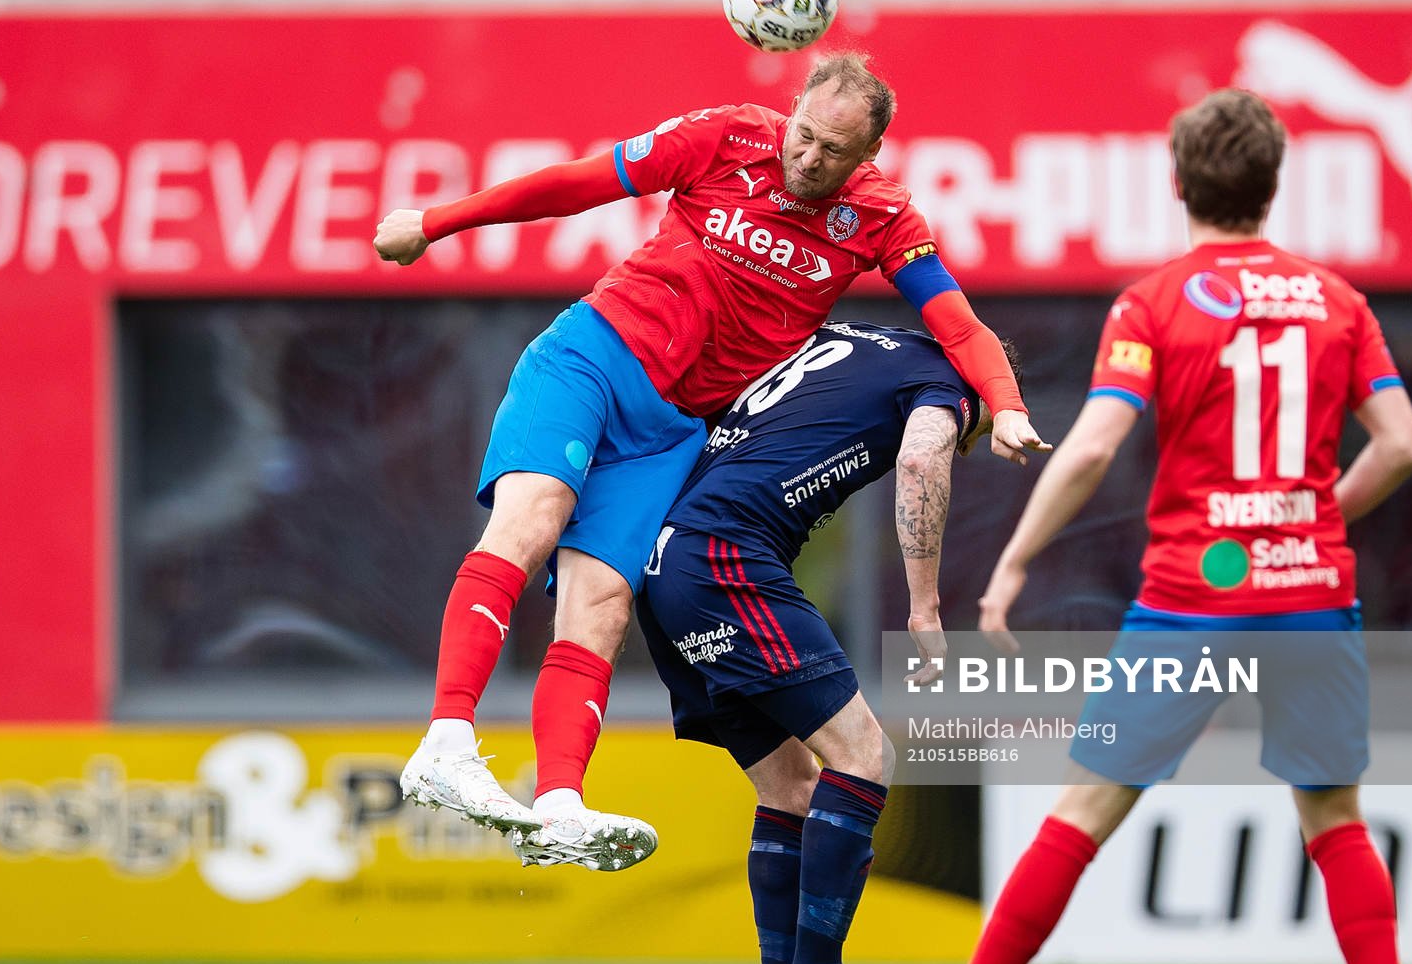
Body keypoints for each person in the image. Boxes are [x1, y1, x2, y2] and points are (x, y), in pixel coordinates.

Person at [874, 89, 1412, 964]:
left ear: (1178, 182)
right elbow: (1401, 444)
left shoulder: (1153, 303)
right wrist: (1316, 517)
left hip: (1193, 599)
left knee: (1083, 811)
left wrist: (1014, 560)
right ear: (1272, 185)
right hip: (1310, 593)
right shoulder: (1338, 302)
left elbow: (1094, 445)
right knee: (1336, 819)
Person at [374, 53, 1047, 870]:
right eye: (804, 135)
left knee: (603, 604)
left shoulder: (881, 216)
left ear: (869, 154)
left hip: (672, 430)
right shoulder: (723, 135)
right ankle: (447, 741)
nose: (809, 158)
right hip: (593, 359)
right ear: (791, 111)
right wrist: (436, 222)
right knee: (532, 522)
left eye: (834, 151)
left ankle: (557, 806)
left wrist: (1006, 405)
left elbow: (957, 323)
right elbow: (578, 184)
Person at [635, 320, 1005, 964]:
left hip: (662, 564)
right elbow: (921, 459)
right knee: (864, 757)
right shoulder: (948, 380)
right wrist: (925, 607)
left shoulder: (852, 338)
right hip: (725, 555)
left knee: (792, 789)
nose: (967, 438)